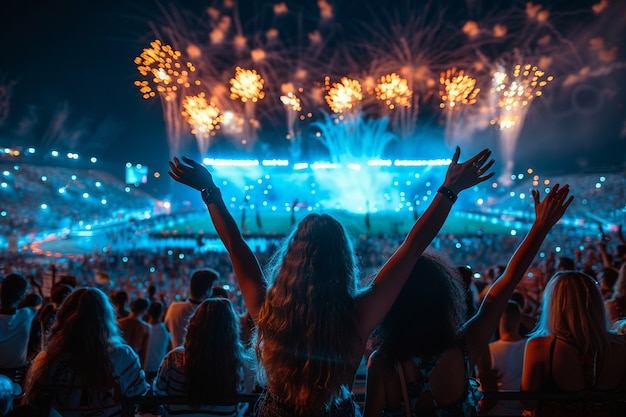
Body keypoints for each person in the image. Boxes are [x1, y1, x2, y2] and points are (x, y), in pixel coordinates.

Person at [169, 147, 496, 416]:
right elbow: (412, 248)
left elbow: (235, 244)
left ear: (290, 258)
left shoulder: (267, 310)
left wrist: (209, 191)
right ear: (343, 261)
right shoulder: (358, 314)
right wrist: (448, 190)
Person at [362, 184, 572, 417]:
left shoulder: (381, 363)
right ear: (444, 299)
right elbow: (506, 283)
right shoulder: (464, 348)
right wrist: (540, 227)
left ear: (396, 304)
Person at [22, 287, 149, 416]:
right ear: (106, 318)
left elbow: (33, 402)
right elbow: (138, 395)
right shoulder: (123, 356)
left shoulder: (46, 360)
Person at [521, 270, 626, 416]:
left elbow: (528, 402)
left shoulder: (539, 346)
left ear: (553, 304)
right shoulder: (621, 345)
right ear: (596, 303)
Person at [153, 298, 249, 417]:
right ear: (231, 329)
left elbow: (157, 395)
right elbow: (242, 405)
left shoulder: (173, 359)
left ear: (194, 324)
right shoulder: (237, 362)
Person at [477, 301, 528, 416]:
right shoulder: (530, 348)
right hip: (524, 411)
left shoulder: (489, 351)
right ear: (520, 319)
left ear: (498, 320)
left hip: (496, 412)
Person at [164, 268, 218, 348]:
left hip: (177, 357)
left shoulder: (173, 308)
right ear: (208, 290)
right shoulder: (208, 313)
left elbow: (167, 329)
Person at [0, 273, 38, 375]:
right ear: (22, 296)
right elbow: (39, 302)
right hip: (17, 374)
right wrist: (37, 286)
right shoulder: (27, 314)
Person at [118, 297, 151, 369]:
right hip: (134, 364)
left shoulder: (119, 323)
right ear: (145, 311)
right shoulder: (145, 327)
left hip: (119, 363)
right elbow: (144, 354)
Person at [145, 301, 171, 381]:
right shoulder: (165, 329)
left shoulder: (143, 328)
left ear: (148, 312)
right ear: (162, 313)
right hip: (159, 368)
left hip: (144, 368)